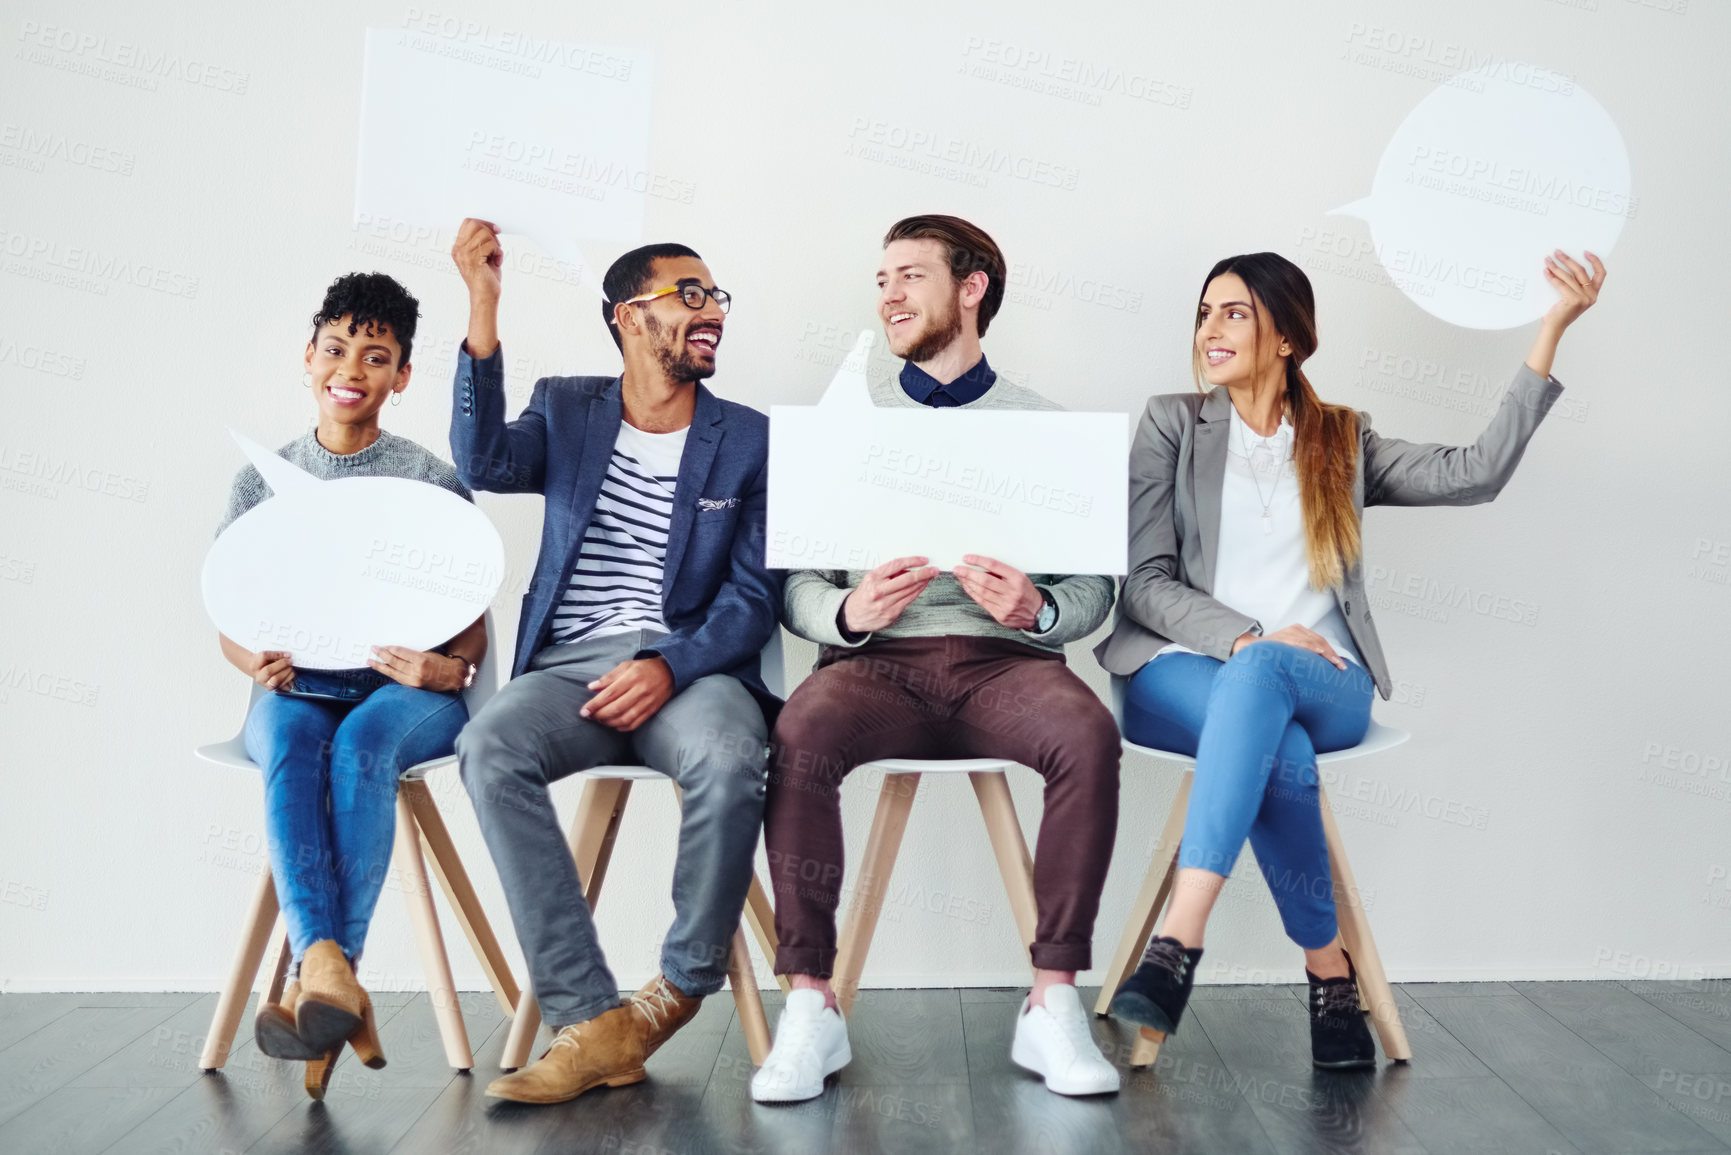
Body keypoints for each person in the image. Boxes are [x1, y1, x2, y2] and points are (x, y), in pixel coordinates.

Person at [1095, 249, 1605, 1067]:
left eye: (1234, 313)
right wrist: (1244, 635)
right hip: (1179, 669)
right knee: (1276, 740)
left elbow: (1473, 474)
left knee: (1264, 685)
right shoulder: (1170, 423)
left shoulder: (1340, 437)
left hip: (1324, 678)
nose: (1209, 330)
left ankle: (1177, 941)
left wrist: (1550, 330)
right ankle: (1328, 973)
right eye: (1203, 313)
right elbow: (1146, 583)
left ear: (1288, 338)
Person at [753, 215, 1123, 1103]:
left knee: (1088, 733)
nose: (887, 294)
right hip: (874, 662)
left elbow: (1097, 588)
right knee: (798, 728)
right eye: (880, 277)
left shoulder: (1045, 426)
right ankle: (810, 1004)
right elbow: (792, 580)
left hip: (1009, 666)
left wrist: (1039, 610)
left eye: (909, 275)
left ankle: (1052, 999)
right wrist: (844, 609)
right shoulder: (845, 421)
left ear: (971, 288)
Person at [448, 220, 781, 1105]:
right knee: (488, 746)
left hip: (692, 667)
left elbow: (752, 598)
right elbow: (481, 461)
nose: (712, 312)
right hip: (566, 666)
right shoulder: (567, 407)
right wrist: (483, 303)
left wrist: (670, 667)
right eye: (691, 295)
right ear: (631, 317)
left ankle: (675, 988)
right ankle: (592, 1018)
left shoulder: (748, 438)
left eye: (717, 297)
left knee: (728, 754)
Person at [215, 271, 485, 1099]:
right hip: (296, 687)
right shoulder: (263, 477)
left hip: (403, 692)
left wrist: (452, 667)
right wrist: (250, 660)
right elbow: (228, 608)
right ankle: (329, 976)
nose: (352, 368)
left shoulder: (427, 476)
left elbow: (471, 607)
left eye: (376, 356)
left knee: (362, 745)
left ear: (400, 377)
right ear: (309, 358)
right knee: (294, 744)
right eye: (336, 348)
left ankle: (324, 977)